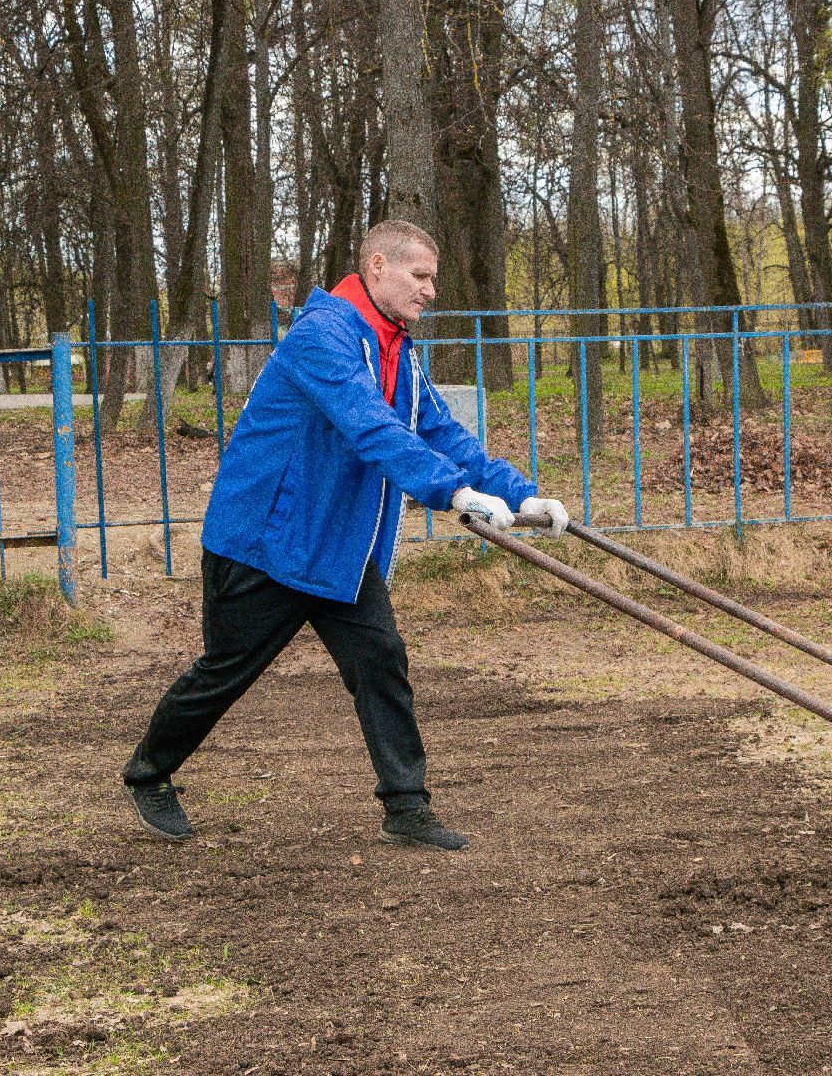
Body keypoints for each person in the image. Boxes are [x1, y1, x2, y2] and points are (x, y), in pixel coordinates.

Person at [121, 220, 568, 851]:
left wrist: (520, 493)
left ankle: (406, 809)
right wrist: (454, 494)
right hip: (266, 541)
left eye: (434, 278)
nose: (431, 290)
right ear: (379, 267)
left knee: (380, 663)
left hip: (340, 545)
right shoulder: (321, 337)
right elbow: (371, 429)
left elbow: (439, 434)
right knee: (227, 670)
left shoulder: (395, 348)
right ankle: (149, 774)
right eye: (421, 275)